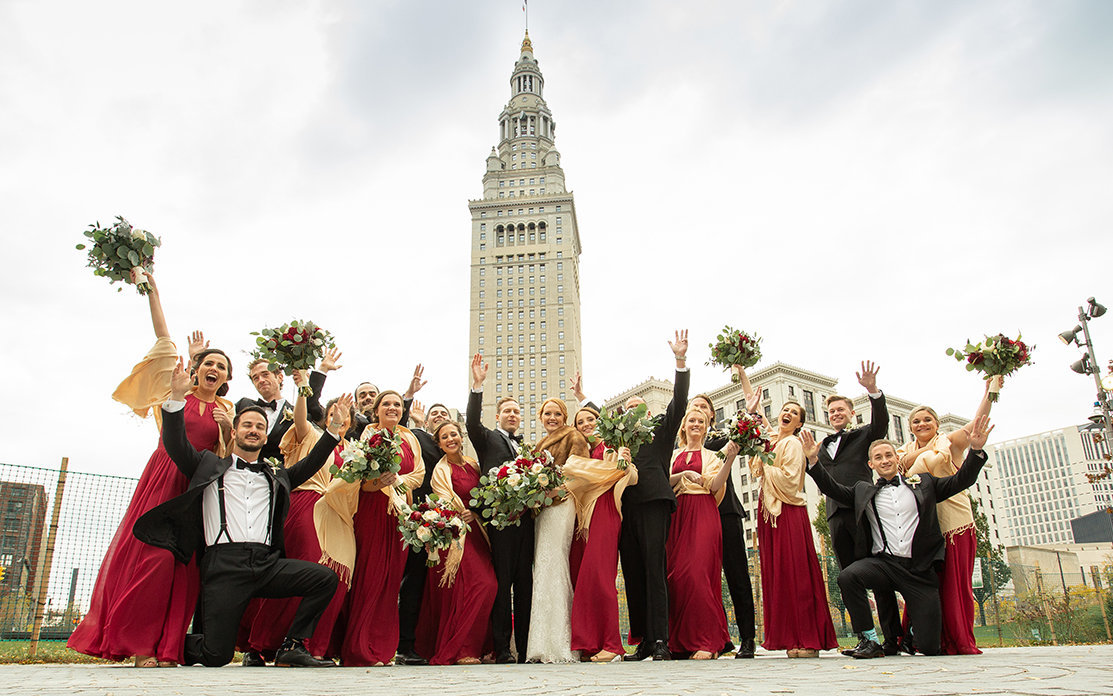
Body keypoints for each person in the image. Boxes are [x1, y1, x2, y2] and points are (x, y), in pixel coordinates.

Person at [68, 271, 233, 667]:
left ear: (227, 379)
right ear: (196, 369)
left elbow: (230, 454)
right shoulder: (174, 392)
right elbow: (163, 336)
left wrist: (229, 434)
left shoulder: (227, 411)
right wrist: (152, 286)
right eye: (208, 362)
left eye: (222, 367)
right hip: (162, 479)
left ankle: (167, 648)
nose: (214, 368)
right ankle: (138, 644)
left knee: (183, 566)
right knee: (153, 560)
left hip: (197, 490)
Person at [133, 359, 345, 667]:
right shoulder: (208, 466)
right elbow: (176, 444)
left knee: (324, 578)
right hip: (224, 567)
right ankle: (163, 641)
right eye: (247, 424)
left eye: (260, 426)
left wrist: (334, 430)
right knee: (215, 655)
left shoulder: (276, 476)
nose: (254, 430)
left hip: (267, 565)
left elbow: (309, 465)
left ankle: (292, 646)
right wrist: (176, 399)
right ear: (234, 431)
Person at [801, 416, 995, 658]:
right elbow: (832, 488)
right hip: (884, 565)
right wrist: (813, 460)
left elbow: (961, 480)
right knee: (848, 577)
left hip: (919, 570)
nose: (884, 460)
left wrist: (975, 451)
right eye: (878, 457)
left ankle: (913, 635)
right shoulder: (864, 491)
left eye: (888, 455)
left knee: (928, 648)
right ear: (870, 464)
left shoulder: (924, 484)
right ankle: (869, 640)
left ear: (897, 458)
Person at [241, 372, 354, 666]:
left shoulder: (349, 453)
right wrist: (303, 386)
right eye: (332, 413)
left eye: (342, 416)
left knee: (330, 578)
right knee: (299, 572)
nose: (337, 417)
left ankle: (301, 645)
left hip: (336, 516)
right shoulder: (312, 435)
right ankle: (261, 645)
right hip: (305, 505)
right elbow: (300, 417)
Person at [315, 390, 425, 666]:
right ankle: (358, 648)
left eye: (397, 404)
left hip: (399, 516)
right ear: (375, 410)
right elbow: (361, 479)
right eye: (386, 404)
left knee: (390, 583)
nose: (392, 408)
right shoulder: (367, 436)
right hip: (372, 510)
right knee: (370, 578)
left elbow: (419, 474)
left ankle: (382, 647)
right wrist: (380, 483)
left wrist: (397, 481)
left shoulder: (410, 437)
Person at [895, 382, 994, 655]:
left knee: (954, 584)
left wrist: (989, 391)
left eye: (927, 419)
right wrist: (920, 453)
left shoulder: (949, 443)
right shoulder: (902, 452)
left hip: (954, 522)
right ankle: (924, 639)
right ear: (910, 427)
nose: (921, 423)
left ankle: (958, 639)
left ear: (937, 424)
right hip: (925, 526)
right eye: (916, 421)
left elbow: (978, 423)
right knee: (928, 585)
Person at [815, 362, 901, 651]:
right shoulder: (821, 444)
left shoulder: (864, 435)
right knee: (848, 576)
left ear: (851, 413)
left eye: (841, 410)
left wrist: (873, 391)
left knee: (878, 572)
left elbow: (880, 425)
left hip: (863, 511)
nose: (836, 414)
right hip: (835, 515)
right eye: (832, 411)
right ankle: (867, 638)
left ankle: (893, 638)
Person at [744, 401, 836, 657]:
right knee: (778, 573)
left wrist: (765, 465)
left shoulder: (793, 444)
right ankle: (788, 638)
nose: (788, 414)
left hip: (788, 511)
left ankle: (807, 638)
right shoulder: (772, 440)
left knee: (797, 573)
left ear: (799, 424)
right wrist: (740, 371)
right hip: (768, 512)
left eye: (795, 413)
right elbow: (757, 412)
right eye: (786, 410)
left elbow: (791, 479)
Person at [620, 330, 689, 662]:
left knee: (653, 568)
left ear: (647, 413)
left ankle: (661, 639)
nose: (632, 411)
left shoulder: (661, 430)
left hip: (653, 504)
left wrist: (680, 362)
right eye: (627, 408)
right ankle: (644, 640)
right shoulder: (618, 440)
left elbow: (680, 403)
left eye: (637, 407)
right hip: (624, 509)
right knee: (632, 573)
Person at [465, 353, 532, 664]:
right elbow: (470, 422)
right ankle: (502, 647)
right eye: (507, 411)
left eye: (517, 412)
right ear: (498, 417)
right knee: (503, 583)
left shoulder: (526, 447)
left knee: (525, 583)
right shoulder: (487, 438)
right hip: (501, 523)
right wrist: (477, 386)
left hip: (527, 523)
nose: (512, 415)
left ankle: (526, 646)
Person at [414, 420, 498, 665]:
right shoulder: (441, 471)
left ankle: (477, 645)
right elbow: (444, 502)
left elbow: (483, 498)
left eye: (454, 434)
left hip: (478, 534)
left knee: (488, 586)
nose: (451, 439)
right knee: (477, 586)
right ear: (439, 444)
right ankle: (462, 649)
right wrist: (462, 515)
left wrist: (476, 513)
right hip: (456, 536)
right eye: (444, 437)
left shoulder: (474, 464)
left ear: (461, 437)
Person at [689, 392, 758, 659]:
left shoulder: (719, 442)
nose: (699, 411)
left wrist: (749, 413)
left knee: (737, 575)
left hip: (724, 512)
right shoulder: (680, 447)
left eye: (704, 408)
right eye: (694, 408)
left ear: (712, 416)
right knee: (698, 577)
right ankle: (712, 638)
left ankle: (748, 638)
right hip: (693, 517)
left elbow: (742, 434)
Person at [524, 398, 591, 663]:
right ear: (540, 417)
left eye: (557, 414)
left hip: (562, 505)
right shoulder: (537, 446)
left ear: (565, 417)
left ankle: (562, 641)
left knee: (554, 562)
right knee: (543, 566)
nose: (552, 418)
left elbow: (582, 473)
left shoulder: (574, 437)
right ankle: (541, 640)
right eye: (547, 413)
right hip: (541, 508)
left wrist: (558, 490)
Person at [665, 408, 732, 659]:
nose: (696, 424)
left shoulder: (713, 456)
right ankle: (680, 642)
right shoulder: (672, 455)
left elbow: (714, 485)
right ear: (683, 426)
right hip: (676, 515)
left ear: (706, 427)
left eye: (700, 421)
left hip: (703, 512)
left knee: (698, 574)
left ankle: (708, 641)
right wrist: (682, 474)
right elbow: (664, 482)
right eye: (691, 420)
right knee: (676, 576)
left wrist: (730, 461)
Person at [396, 400, 453, 666]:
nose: (439, 416)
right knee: (414, 583)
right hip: (420, 521)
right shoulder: (420, 439)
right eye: (435, 414)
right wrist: (416, 422)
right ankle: (406, 645)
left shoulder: (454, 450)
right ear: (428, 423)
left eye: (444, 414)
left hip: (450, 525)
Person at [234, 348, 338, 461]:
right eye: (256, 378)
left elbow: (313, 407)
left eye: (265, 374)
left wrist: (322, 370)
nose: (261, 380)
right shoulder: (243, 405)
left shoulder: (298, 414)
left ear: (280, 377)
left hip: (278, 475)